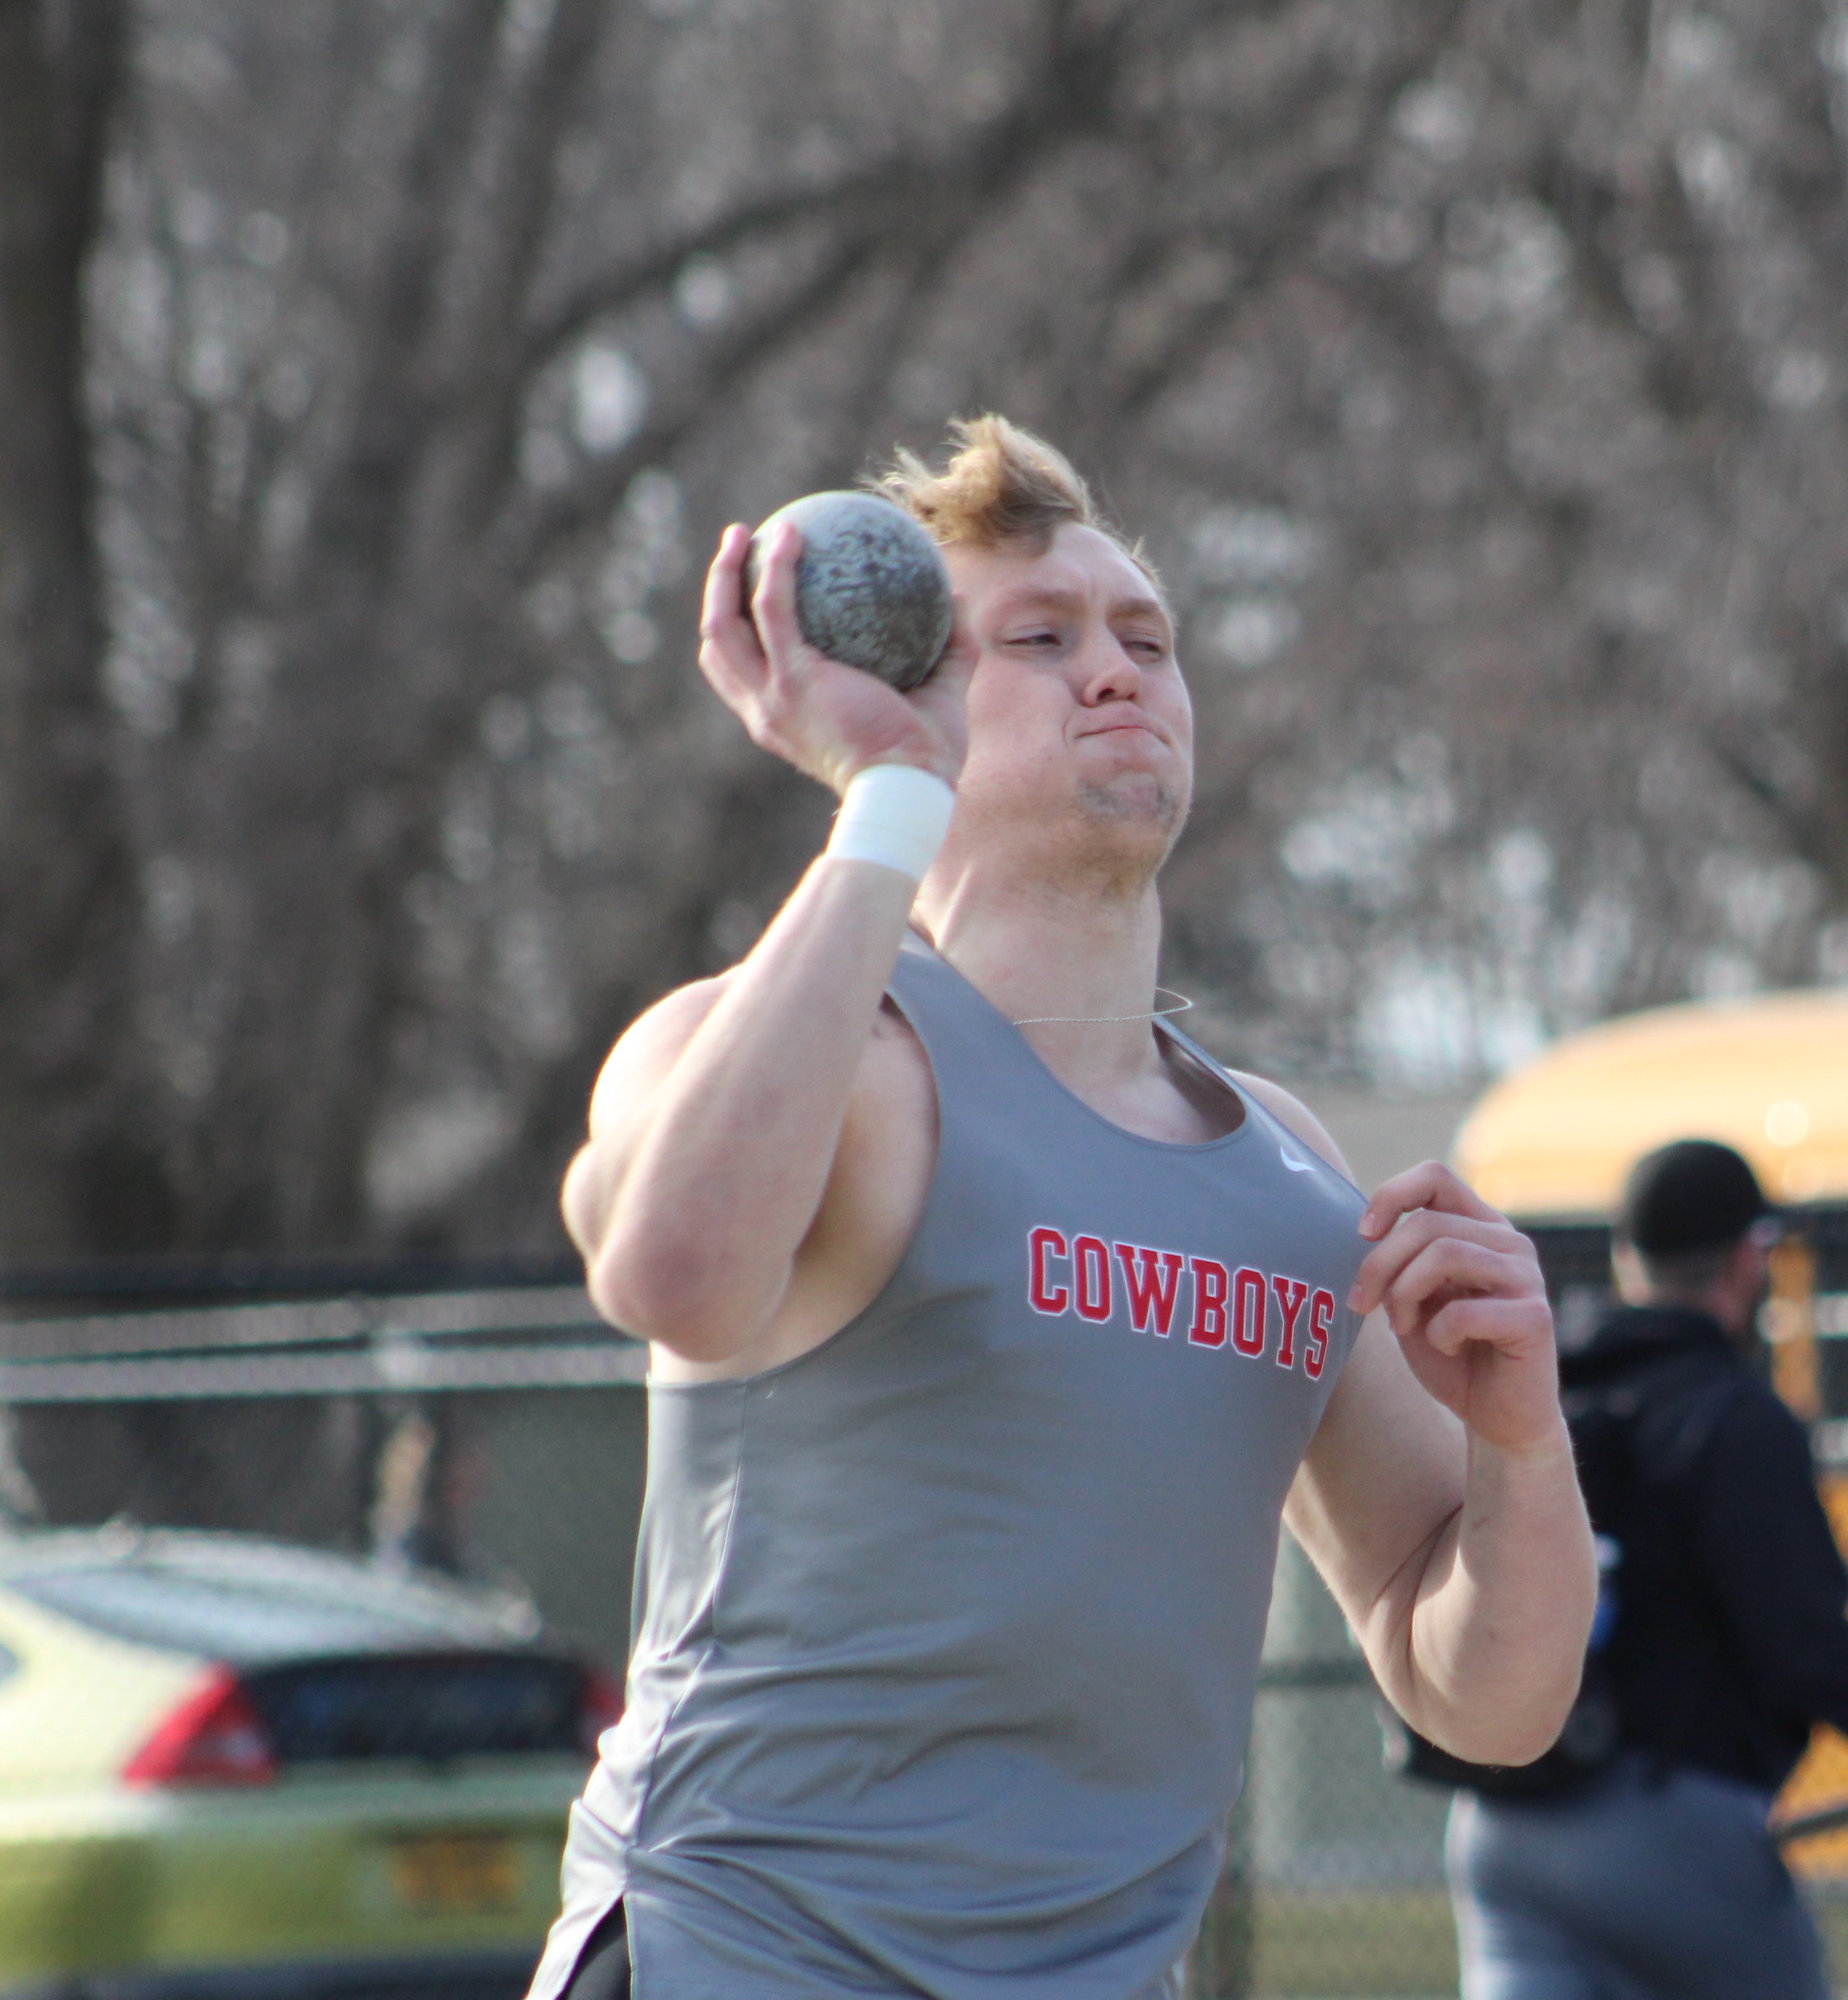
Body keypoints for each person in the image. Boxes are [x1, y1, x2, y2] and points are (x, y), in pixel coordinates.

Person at [526, 416, 1595, 2000]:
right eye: (1038, 636)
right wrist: (884, 795)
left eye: (1146, 638)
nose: (1118, 668)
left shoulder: (1287, 1171)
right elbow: (672, 1265)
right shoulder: (819, 1054)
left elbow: (1490, 1696)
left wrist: (1522, 1440)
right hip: (746, 1961)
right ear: (907, 691)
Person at [1443, 1137, 1848, 2000]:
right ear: (1750, 1257)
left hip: (1498, 1828)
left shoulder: (1540, 1404)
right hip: (1669, 1832)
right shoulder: (1734, 1419)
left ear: (1626, 1258)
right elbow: (1801, 1645)